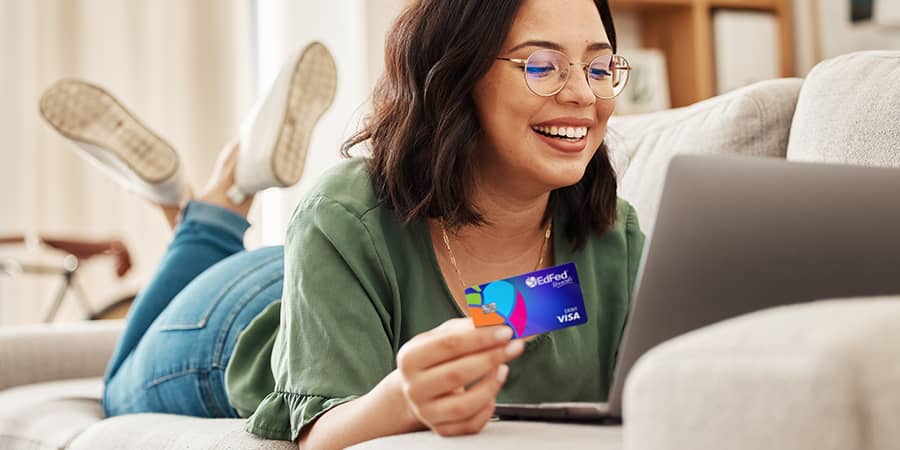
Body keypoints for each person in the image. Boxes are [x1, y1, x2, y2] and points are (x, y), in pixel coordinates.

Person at [41, 1, 644, 448]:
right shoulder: (343, 214)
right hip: (239, 322)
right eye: (543, 66)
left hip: (350, 279)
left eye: (599, 68)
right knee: (116, 389)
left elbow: (506, 323)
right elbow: (317, 433)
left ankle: (211, 196)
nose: (584, 96)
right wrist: (402, 400)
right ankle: (214, 210)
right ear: (454, 75)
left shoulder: (613, 236)